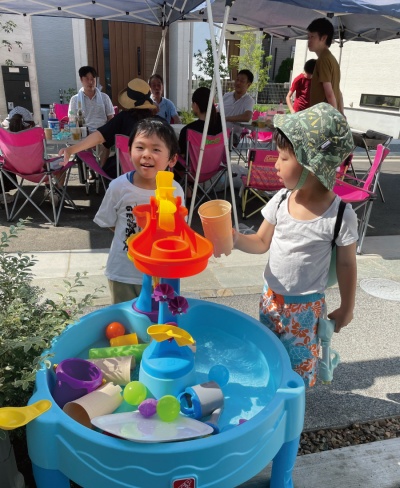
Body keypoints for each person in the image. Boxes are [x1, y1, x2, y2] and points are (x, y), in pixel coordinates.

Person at [232, 102, 358, 388]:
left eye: (284, 157)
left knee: (298, 373)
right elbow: (261, 241)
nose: (276, 164)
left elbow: (347, 263)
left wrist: (347, 307)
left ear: (311, 164)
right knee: (268, 361)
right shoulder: (280, 200)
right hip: (270, 299)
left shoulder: (339, 215)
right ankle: (273, 401)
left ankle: (292, 409)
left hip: (305, 310)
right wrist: (236, 238)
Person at [93, 117, 184, 304]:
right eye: (140, 147)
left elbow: (177, 229)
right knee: (124, 320)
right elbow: (110, 223)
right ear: (129, 152)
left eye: (156, 149)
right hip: (123, 273)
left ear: (172, 159)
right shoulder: (118, 187)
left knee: (158, 319)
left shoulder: (175, 190)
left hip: (160, 275)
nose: (146, 154)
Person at [59, 78, 158, 177]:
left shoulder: (122, 118)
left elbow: (99, 137)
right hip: (155, 177)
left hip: (124, 175)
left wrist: (71, 150)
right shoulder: (160, 123)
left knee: (108, 165)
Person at [307, 18, 344, 115]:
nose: (309, 41)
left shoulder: (323, 60)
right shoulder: (332, 59)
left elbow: (329, 93)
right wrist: (341, 113)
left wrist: (335, 117)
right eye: (308, 37)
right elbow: (338, 92)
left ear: (323, 38)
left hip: (323, 117)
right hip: (330, 114)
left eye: (312, 37)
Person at [0, 107, 36, 205]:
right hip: (38, 171)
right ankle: (52, 192)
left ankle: (2, 194)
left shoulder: (4, 138)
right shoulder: (36, 136)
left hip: (13, 169)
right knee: (60, 164)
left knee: (3, 162)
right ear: (30, 125)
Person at [68, 66, 114, 133]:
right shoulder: (75, 99)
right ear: (81, 79)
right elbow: (72, 121)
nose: (90, 82)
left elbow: (111, 119)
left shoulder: (105, 97)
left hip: (102, 133)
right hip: (83, 134)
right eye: (87, 79)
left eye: (92, 79)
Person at [178, 86, 222, 156]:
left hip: (195, 163)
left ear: (195, 105)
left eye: (192, 103)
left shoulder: (188, 131)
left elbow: (182, 154)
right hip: (216, 162)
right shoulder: (220, 125)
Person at [222, 69, 255, 146]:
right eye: (237, 80)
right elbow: (217, 111)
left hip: (233, 135)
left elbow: (247, 117)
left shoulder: (249, 100)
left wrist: (226, 118)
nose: (238, 83)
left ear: (248, 85)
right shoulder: (226, 96)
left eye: (242, 81)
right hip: (218, 132)